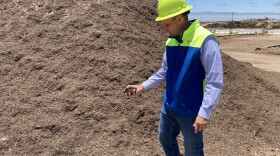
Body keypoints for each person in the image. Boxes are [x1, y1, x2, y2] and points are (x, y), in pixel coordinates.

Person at [124, 0, 224, 155]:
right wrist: (142, 86)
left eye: (167, 24)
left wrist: (204, 113)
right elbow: (165, 70)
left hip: (191, 110)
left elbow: (215, 81)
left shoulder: (206, 40)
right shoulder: (171, 41)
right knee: (165, 138)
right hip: (169, 106)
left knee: (193, 151)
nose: (164, 29)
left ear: (179, 18)